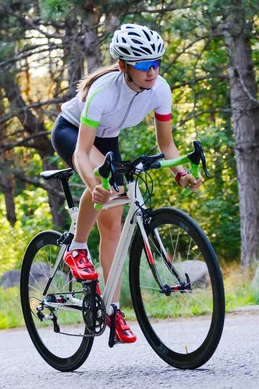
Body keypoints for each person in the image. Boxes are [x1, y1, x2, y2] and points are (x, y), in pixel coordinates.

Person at [51, 24, 203, 344]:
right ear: (123, 66)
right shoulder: (103, 92)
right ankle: (76, 249)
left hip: (107, 139)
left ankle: (112, 309)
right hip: (71, 132)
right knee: (107, 191)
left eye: (157, 62)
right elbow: (81, 152)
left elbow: (167, 145)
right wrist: (93, 183)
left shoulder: (160, 89)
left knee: (113, 226)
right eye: (144, 64)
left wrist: (180, 173)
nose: (153, 71)